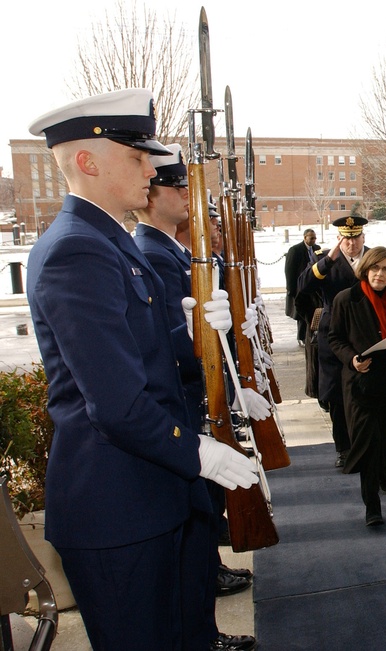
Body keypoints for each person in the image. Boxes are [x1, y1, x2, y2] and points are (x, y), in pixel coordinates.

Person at [25, 88, 258, 650]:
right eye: (136, 157)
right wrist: (198, 449)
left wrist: (207, 338)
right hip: (117, 507)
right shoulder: (76, 250)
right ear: (87, 162)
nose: (152, 169)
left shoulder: (111, 244)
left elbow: (153, 358)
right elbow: (118, 403)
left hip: (155, 491)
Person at [133, 144, 260, 649]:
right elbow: (175, 350)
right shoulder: (153, 254)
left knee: (198, 536)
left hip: (196, 405)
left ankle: (202, 632)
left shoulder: (169, 251)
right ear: (151, 197)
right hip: (184, 411)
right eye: (178, 185)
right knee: (191, 542)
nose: (189, 195)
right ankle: (199, 636)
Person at [330, 247, 386, 526]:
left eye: (385, 269)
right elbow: (334, 338)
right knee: (368, 441)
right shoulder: (347, 299)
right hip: (361, 382)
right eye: (375, 269)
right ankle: (372, 505)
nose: (380, 274)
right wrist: (352, 359)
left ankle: (384, 471)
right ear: (365, 270)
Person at [299, 215, 368, 468]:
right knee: (337, 395)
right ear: (339, 239)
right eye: (346, 239)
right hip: (335, 333)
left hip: (366, 332)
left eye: (355, 238)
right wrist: (328, 261)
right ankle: (343, 448)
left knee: (365, 392)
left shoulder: (374, 257)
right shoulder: (324, 259)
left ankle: (366, 445)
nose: (351, 244)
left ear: (363, 237)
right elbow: (303, 286)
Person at [285, 229, 320, 346]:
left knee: (312, 312)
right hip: (300, 288)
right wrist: (291, 289)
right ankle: (301, 337)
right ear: (305, 237)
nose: (313, 240)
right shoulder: (295, 250)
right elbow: (289, 270)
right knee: (301, 314)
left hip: (313, 288)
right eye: (311, 238)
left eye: (315, 238)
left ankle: (311, 335)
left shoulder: (317, 248)